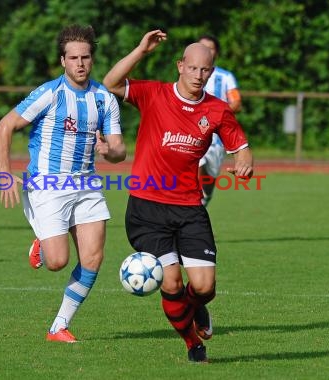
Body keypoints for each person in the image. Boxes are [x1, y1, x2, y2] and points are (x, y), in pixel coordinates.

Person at [103, 30, 253, 362]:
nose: (199, 75)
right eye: (193, 68)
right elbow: (111, 83)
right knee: (170, 284)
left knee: (204, 288)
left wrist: (244, 162)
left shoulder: (216, 110)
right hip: (147, 209)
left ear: (211, 72)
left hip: (189, 208)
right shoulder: (154, 94)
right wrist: (141, 50)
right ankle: (192, 344)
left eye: (205, 70)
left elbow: (240, 147)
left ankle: (196, 307)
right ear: (180, 66)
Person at [0, 25, 126, 343]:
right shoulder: (49, 94)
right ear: (62, 61)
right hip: (48, 184)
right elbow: (5, 125)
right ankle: (42, 240)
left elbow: (119, 151)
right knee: (57, 262)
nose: (80, 63)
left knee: (93, 258)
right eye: (73, 58)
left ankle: (59, 326)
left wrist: (110, 151)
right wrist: (4, 173)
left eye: (85, 57)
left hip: (86, 184)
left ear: (92, 60)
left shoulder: (103, 99)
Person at [197, 34, 242, 207]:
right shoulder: (187, 74)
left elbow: (236, 103)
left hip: (216, 140)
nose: (206, 51)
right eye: (202, 47)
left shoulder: (225, 77)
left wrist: (215, 115)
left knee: (208, 185)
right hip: (192, 134)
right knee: (195, 166)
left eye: (210, 48)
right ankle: (189, 207)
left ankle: (201, 202)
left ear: (216, 53)